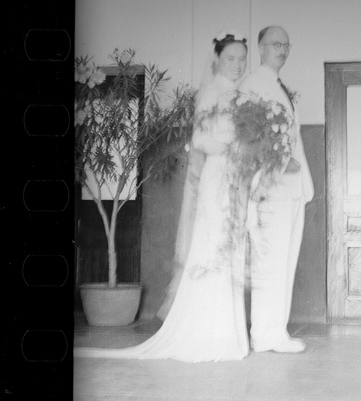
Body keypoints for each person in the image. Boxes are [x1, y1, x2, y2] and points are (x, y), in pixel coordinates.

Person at [75, 31, 250, 362]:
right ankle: (207, 334)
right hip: (217, 175)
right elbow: (200, 138)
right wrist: (231, 147)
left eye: (242, 59)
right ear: (217, 60)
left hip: (232, 177)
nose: (238, 64)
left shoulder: (238, 94)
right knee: (213, 248)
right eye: (231, 58)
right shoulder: (212, 92)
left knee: (228, 251)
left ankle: (226, 333)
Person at [238, 26, 314, 353]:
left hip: (293, 189)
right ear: (260, 48)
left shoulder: (277, 85)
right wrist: (282, 164)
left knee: (284, 262)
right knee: (270, 264)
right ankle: (265, 334)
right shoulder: (253, 84)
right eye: (275, 44)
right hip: (272, 187)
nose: (281, 49)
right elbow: (247, 135)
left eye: (286, 44)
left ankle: (275, 331)